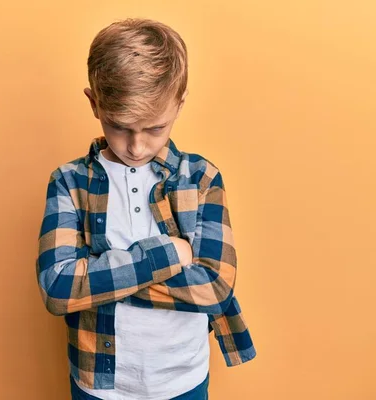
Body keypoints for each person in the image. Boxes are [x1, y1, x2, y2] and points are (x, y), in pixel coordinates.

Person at [36, 18, 256, 400]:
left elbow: (216, 288)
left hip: (183, 378)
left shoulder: (201, 178)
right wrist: (171, 253)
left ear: (179, 104)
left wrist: (99, 279)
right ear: (94, 103)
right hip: (99, 384)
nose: (136, 147)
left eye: (155, 128)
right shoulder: (68, 182)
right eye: (120, 127)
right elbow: (58, 288)